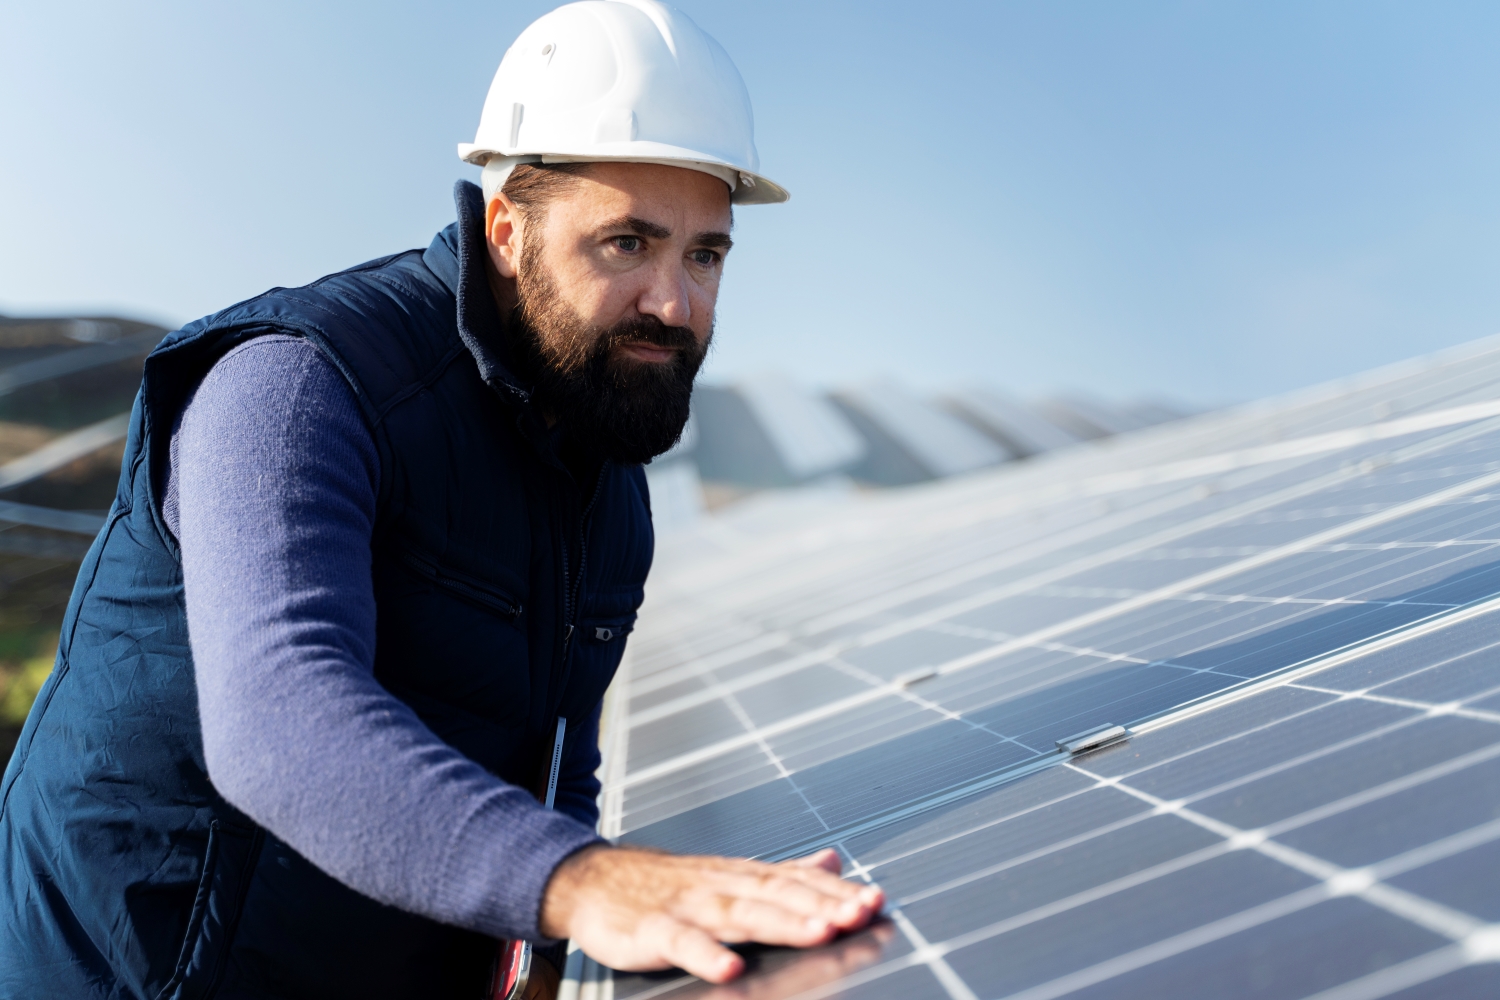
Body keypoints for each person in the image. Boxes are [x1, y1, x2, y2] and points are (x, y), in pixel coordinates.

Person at [0, 2, 883, 997]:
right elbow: (280, 724)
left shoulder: (607, 486)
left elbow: (560, 759)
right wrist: (580, 883)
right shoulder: (298, 385)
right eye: (627, 243)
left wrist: (545, 950)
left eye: (705, 254)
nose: (674, 304)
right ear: (508, 230)